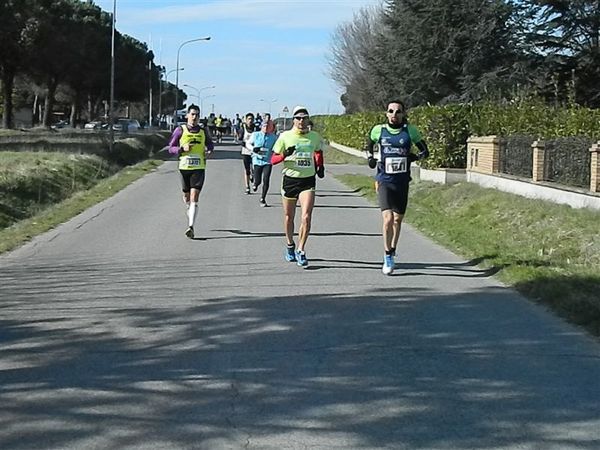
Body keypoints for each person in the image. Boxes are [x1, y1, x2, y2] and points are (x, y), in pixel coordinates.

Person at [364, 100, 429, 275]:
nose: (394, 114)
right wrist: (370, 157)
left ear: (403, 114)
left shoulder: (410, 131)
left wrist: (413, 158)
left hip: (401, 181)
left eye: (398, 111)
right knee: (387, 219)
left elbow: (425, 151)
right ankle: (387, 255)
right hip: (384, 180)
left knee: (397, 220)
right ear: (386, 114)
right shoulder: (379, 130)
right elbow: (369, 143)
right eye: (391, 111)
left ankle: (392, 249)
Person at [271, 105, 325, 267]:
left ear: (308, 120)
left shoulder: (314, 137)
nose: (302, 121)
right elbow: (272, 160)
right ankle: (290, 245)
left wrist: (320, 166)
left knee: (306, 216)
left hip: (307, 180)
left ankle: (301, 250)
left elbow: (318, 151)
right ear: (293, 120)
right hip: (290, 180)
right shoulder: (285, 137)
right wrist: (284, 155)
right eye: (298, 118)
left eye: (304, 118)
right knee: (289, 217)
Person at [168, 104, 214, 239]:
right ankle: (189, 208)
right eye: (192, 114)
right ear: (187, 115)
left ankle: (191, 227)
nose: (195, 117)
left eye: (197, 115)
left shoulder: (203, 131)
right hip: (184, 168)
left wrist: (209, 151)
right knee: (187, 197)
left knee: (195, 197)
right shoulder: (180, 130)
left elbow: (210, 144)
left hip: (198, 167)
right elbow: (170, 148)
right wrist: (182, 149)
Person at [249, 121, 276, 206]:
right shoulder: (255, 134)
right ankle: (255, 183)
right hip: (257, 160)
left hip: (268, 161)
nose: (266, 128)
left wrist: (275, 151)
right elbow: (248, 143)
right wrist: (253, 148)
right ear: (261, 127)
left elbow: (277, 147)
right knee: (258, 180)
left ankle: (263, 198)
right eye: (264, 126)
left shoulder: (273, 137)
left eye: (268, 126)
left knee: (266, 180)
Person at [240, 112, 256, 194]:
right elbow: (240, 139)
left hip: (254, 152)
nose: (250, 121)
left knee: (254, 169)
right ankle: (247, 187)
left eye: (251, 119)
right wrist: (246, 145)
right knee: (247, 170)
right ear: (246, 120)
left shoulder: (256, 129)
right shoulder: (243, 128)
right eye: (249, 119)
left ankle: (253, 176)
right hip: (245, 152)